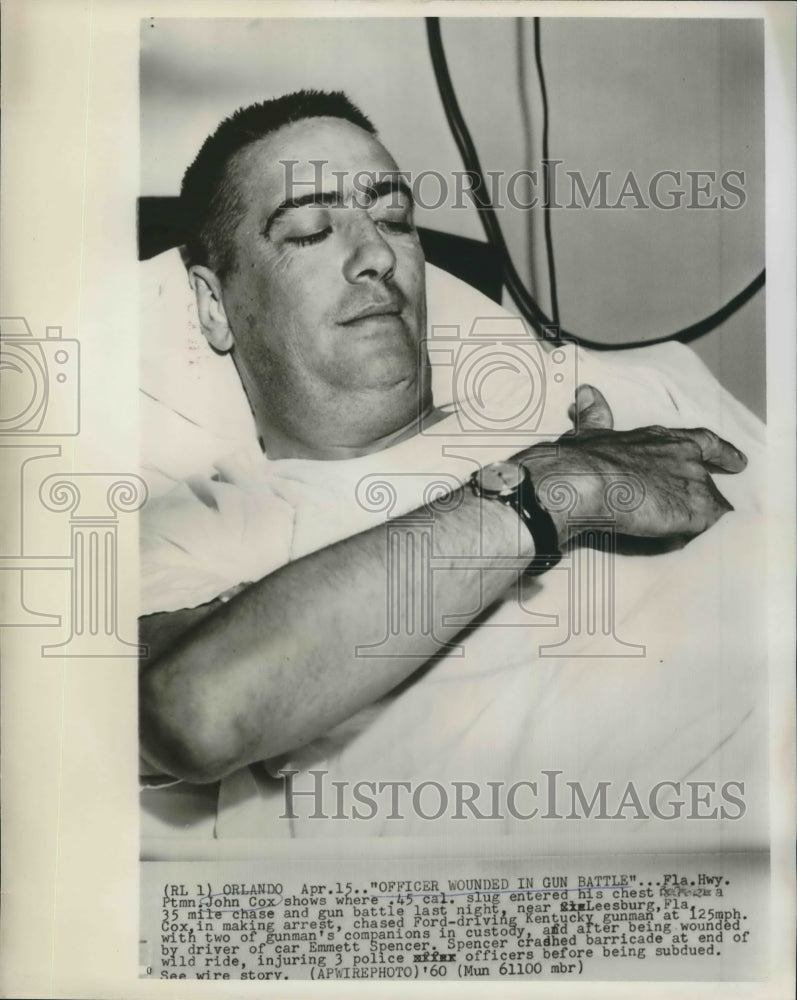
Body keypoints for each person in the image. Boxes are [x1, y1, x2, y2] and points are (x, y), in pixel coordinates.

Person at [139, 90, 749, 793]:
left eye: (395, 219)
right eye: (309, 230)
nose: (375, 253)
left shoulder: (627, 391)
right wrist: (554, 486)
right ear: (214, 307)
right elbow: (193, 711)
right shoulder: (202, 526)